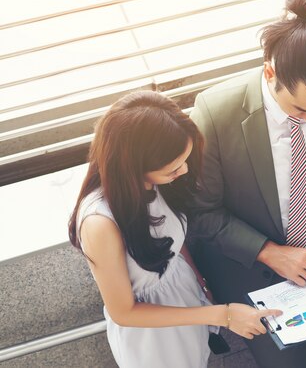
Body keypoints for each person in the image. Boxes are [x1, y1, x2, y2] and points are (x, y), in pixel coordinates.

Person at [187, 0, 306, 368]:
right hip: (251, 267)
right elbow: (201, 214)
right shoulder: (215, 113)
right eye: (302, 109)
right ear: (270, 73)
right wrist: (270, 252)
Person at [68, 91, 281, 368]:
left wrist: (200, 283)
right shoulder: (100, 223)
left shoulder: (152, 182)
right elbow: (124, 312)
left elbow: (173, 242)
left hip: (187, 304)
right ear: (133, 164)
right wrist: (223, 315)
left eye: (185, 160)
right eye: (172, 169)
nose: (183, 171)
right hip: (152, 337)